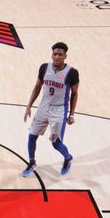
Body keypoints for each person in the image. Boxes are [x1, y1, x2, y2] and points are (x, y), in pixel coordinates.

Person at [22, 42, 80, 178]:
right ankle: (32, 163)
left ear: (65, 56)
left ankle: (68, 158)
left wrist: (71, 114)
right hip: (43, 107)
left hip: (59, 111)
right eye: (55, 54)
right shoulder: (44, 68)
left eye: (60, 54)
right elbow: (37, 87)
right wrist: (29, 106)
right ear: (51, 54)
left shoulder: (72, 73)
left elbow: (75, 93)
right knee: (32, 136)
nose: (57, 57)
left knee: (55, 143)